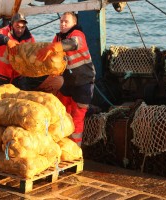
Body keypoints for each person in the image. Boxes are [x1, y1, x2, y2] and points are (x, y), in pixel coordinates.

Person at [37, 12, 96, 147]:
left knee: (77, 119)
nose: (63, 24)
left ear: (74, 24)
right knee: (62, 115)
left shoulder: (78, 34)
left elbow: (72, 43)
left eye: (66, 22)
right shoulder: (57, 38)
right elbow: (49, 60)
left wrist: (52, 48)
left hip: (83, 83)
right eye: (61, 21)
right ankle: (62, 147)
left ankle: (75, 151)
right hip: (67, 82)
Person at [0, 12, 35, 90]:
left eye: (23, 27)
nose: (20, 30)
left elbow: (34, 56)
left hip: (18, 80)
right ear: (11, 25)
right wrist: (6, 41)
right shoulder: (2, 32)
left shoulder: (30, 39)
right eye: (17, 26)